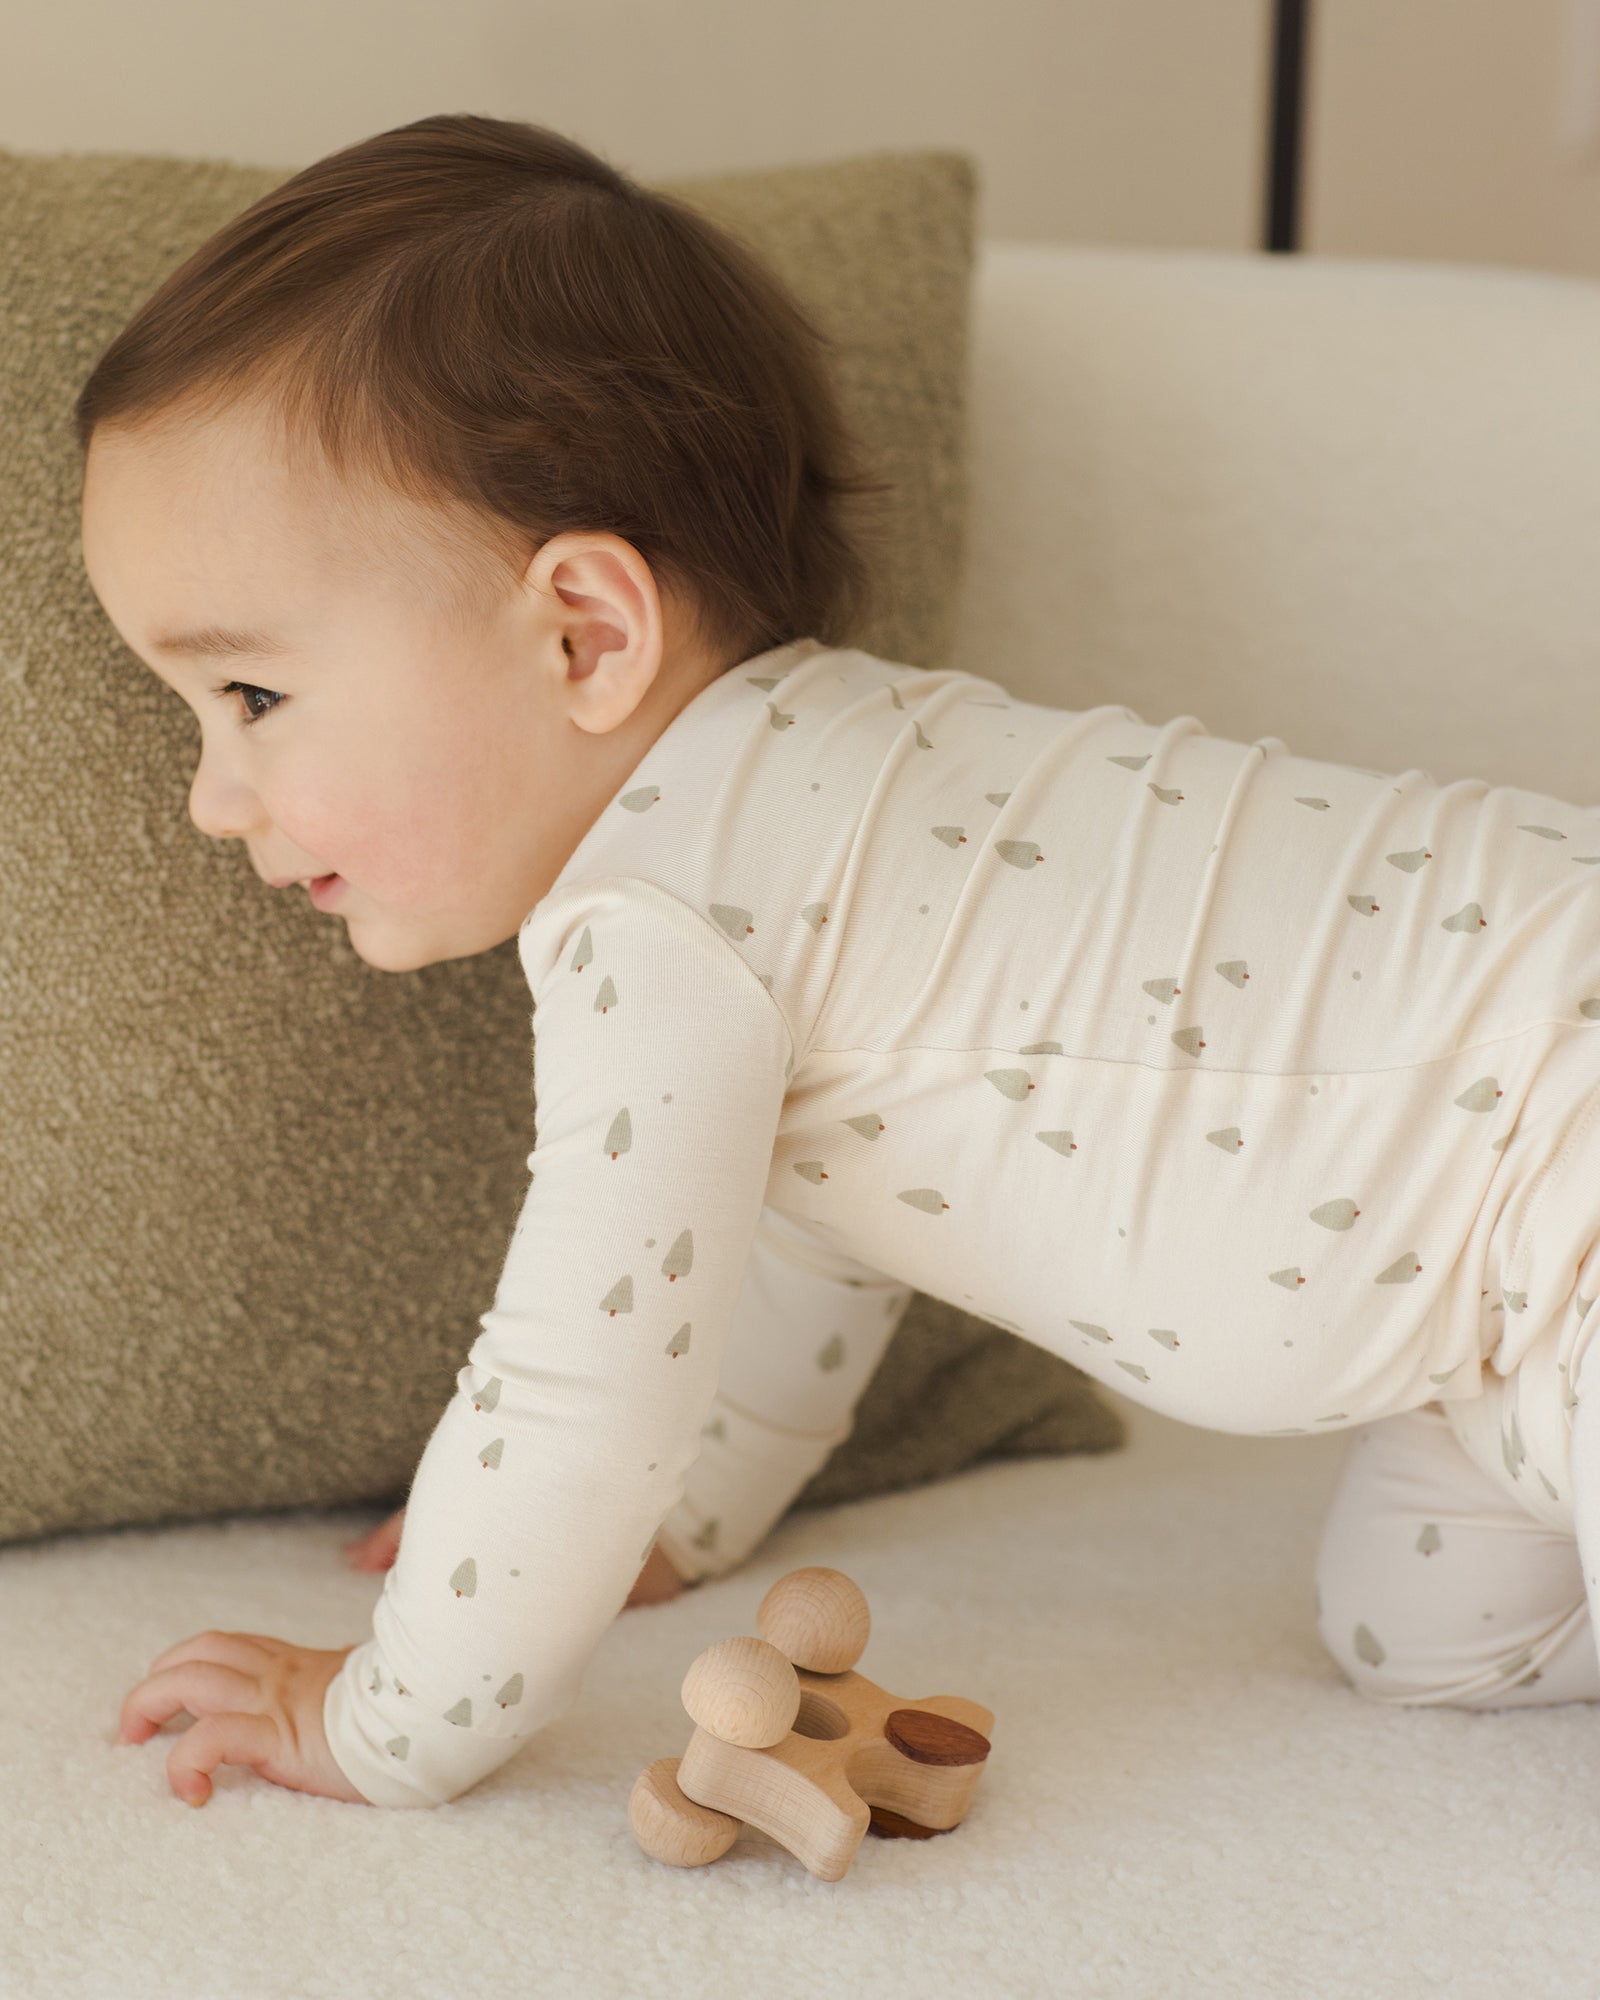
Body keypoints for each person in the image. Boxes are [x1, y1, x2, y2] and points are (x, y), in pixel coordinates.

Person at [78, 114, 1600, 1814]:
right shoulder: (805, 839)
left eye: (254, 696)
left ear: (586, 633)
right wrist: (689, 1517)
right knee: (1427, 1639)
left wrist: (385, 1717)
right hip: (1495, 1334)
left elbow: (584, 1381)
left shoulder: (655, 923)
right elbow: (829, 1228)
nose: (212, 798)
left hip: (1567, 1145)